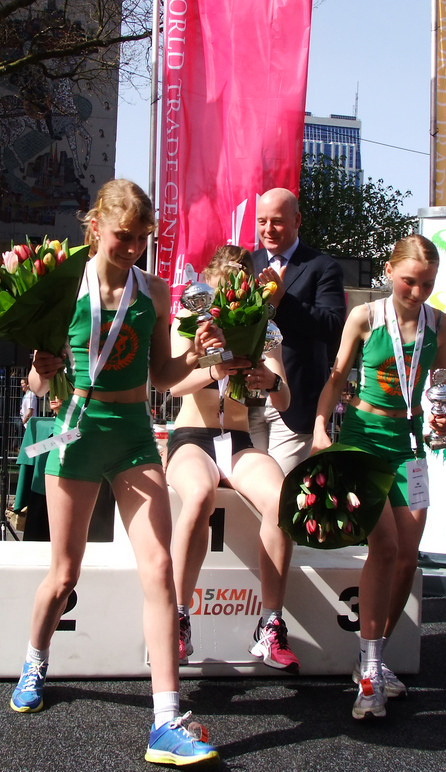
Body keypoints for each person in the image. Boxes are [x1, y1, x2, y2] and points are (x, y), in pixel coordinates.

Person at [12, 179, 222, 766]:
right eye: (122, 237)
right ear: (95, 228)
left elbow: (162, 376)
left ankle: (165, 719)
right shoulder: (63, 286)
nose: (131, 248)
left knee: (158, 570)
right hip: (75, 434)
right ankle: (35, 660)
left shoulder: (154, 290)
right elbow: (36, 385)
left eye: (140, 239)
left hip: (132, 435)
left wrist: (200, 355)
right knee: (64, 573)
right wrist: (40, 367)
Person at [312, 234, 446, 721]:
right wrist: (320, 428)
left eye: (427, 284)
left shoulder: (442, 326)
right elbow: (337, 377)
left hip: (410, 446)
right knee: (387, 546)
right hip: (363, 441)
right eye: (409, 281)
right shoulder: (365, 316)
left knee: (408, 556)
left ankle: (372, 657)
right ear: (389, 271)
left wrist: (442, 418)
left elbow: (439, 385)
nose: (417, 292)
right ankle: (371, 674)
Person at [165, 245, 298, 673]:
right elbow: (172, 386)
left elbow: (284, 398)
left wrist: (269, 380)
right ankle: (178, 617)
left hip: (238, 440)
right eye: (221, 296)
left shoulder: (265, 327)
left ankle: (270, 624)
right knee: (199, 494)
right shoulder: (188, 321)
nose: (228, 306)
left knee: (281, 499)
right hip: (192, 436)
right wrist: (214, 368)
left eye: (236, 295)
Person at [250, 187, 345, 473]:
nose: (268, 229)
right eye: (262, 221)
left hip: (296, 403)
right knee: (248, 486)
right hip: (247, 401)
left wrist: (283, 301)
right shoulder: (248, 263)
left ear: (297, 220)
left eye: (277, 221)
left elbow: (332, 326)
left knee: (282, 488)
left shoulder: (322, 267)